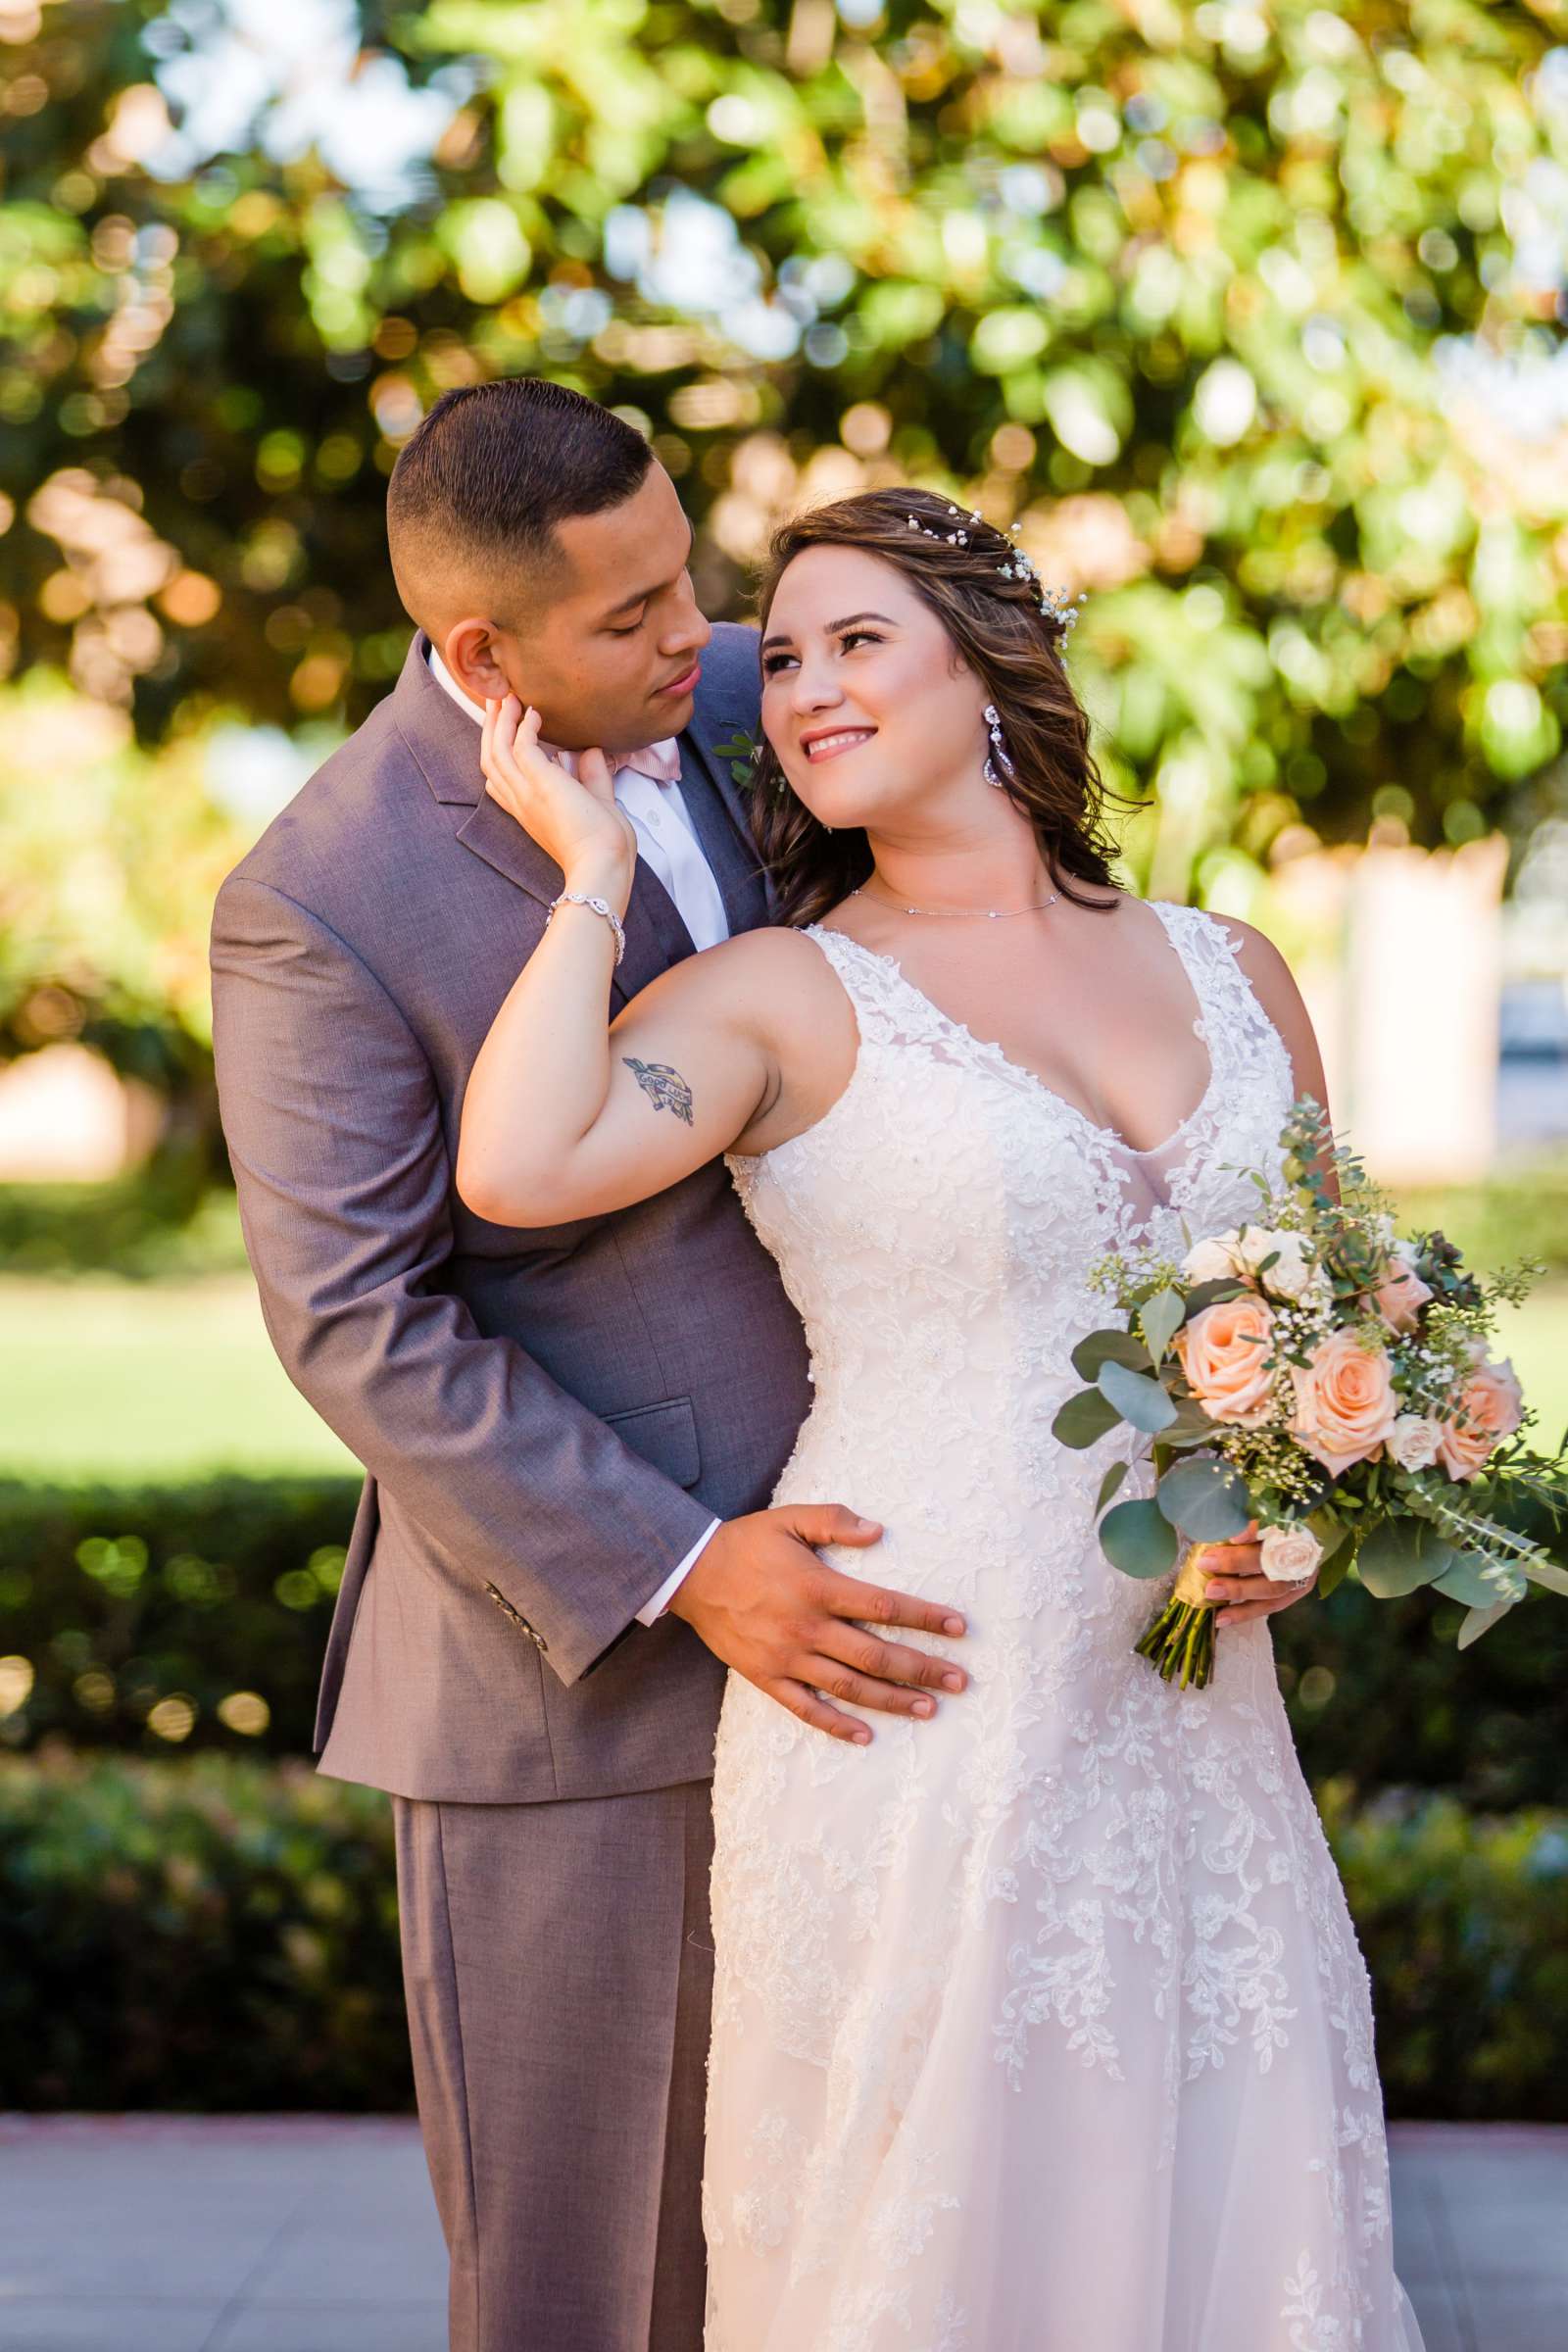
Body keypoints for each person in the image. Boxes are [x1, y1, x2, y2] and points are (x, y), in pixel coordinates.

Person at [458, 485, 1424, 2350]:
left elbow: (1334, 1317)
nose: (803, 687)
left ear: (991, 671)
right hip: (913, 1697)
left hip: (1190, 1723)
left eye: (854, 640)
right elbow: (516, 1161)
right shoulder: (779, 996)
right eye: (785, 657)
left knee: (1227, 2208)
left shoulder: (1242, 970)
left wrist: (1294, 1531)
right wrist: (585, 876)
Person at [209, 380, 983, 2352]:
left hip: (904, 1612)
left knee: (867, 2249)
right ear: (481, 656)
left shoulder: (751, 698)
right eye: (634, 613)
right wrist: (681, 1561)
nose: (699, 633)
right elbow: (359, 1319)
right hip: (581, 1710)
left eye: (688, 573)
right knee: (600, 2291)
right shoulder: (319, 901)